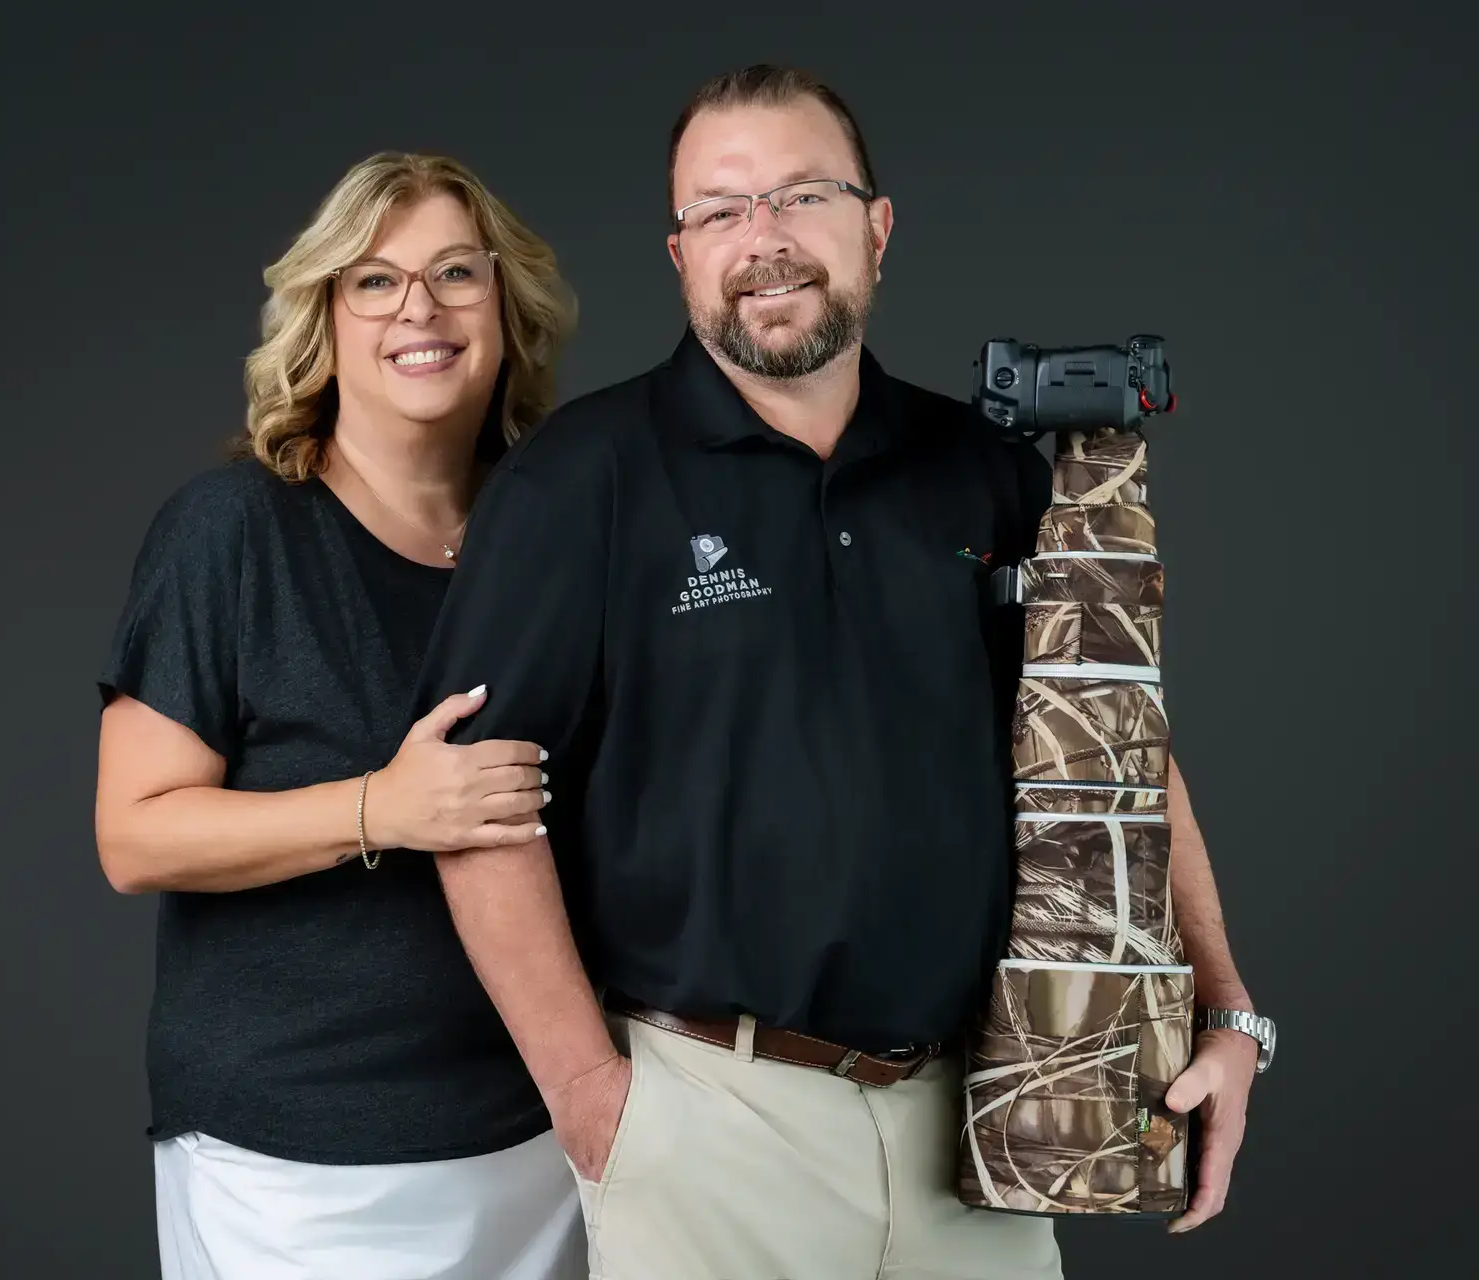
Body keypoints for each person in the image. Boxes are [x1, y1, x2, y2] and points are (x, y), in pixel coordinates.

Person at [408, 65, 1270, 1279]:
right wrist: (594, 1100)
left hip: (989, 1112)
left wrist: (1224, 1003)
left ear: (876, 225)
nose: (763, 239)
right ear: (680, 253)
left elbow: (1120, 743)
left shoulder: (986, 471)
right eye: (721, 209)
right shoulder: (578, 482)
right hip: (709, 1121)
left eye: (802, 196)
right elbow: (472, 805)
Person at [92, 151, 582, 1279]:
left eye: (458, 272)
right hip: (301, 1160)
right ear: (324, 315)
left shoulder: (554, 532)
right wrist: (382, 806)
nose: (420, 306)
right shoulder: (232, 531)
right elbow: (135, 832)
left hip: (540, 1136)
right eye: (374, 279)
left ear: (507, 307)